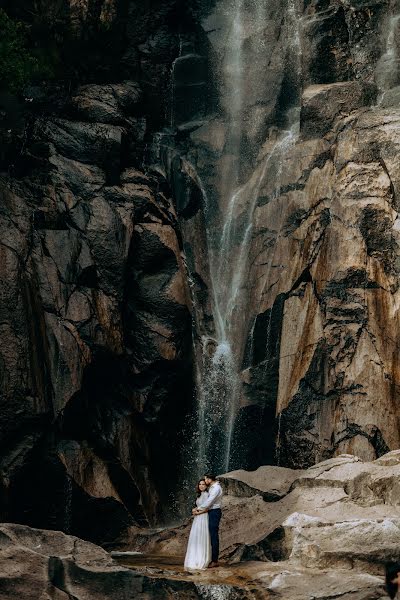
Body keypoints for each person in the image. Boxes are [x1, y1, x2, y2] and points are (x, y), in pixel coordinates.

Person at [194, 473, 223, 568]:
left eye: (206, 479)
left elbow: (210, 500)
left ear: (210, 479)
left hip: (214, 512)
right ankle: (209, 557)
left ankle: (215, 561)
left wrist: (199, 509)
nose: (205, 481)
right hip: (211, 511)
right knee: (210, 535)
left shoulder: (216, 488)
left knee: (214, 536)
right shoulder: (212, 487)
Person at [184, 479, 211, 570]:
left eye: (203, 484)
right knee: (196, 537)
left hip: (203, 517)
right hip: (197, 519)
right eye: (200, 484)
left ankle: (202, 559)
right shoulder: (199, 495)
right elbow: (199, 506)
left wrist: (197, 513)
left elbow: (207, 508)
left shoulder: (207, 495)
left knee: (202, 536)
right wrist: (194, 509)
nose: (201, 486)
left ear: (206, 486)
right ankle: (194, 558)